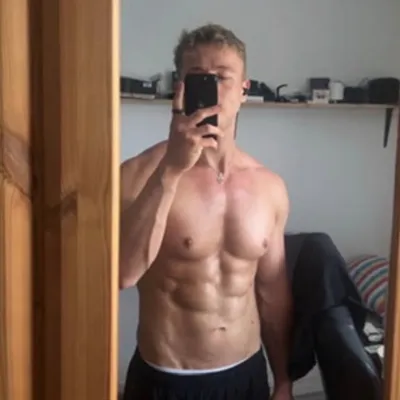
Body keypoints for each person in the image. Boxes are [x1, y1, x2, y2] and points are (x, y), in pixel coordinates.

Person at [120, 23, 293, 400]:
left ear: (244, 90)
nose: (212, 89)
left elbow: (273, 292)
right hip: (167, 379)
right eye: (199, 77)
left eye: (222, 77)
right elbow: (122, 273)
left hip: (246, 374)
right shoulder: (136, 175)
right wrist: (171, 169)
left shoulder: (269, 188)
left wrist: (283, 379)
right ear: (179, 87)